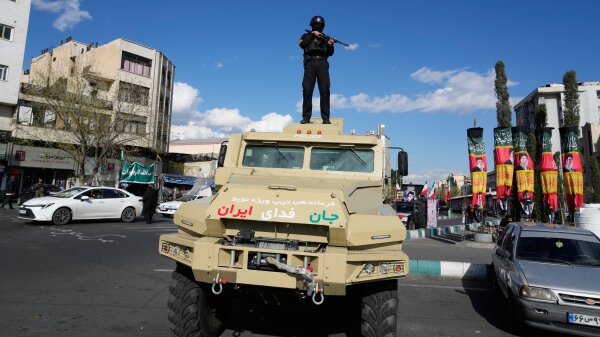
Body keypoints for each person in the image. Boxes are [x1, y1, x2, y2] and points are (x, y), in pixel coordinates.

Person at [299, 15, 335, 124]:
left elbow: (330, 53)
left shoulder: (326, 38)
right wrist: (312, 35)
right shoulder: (305, 35)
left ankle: (325, 118)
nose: (318, 27)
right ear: (312, 25)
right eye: (316, 25)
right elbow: (302, 44)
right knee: (307, 90)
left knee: (325, 90)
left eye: (320, 25)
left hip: (323, 63)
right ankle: (306, 117)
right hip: (310, 63)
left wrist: (330, 45)